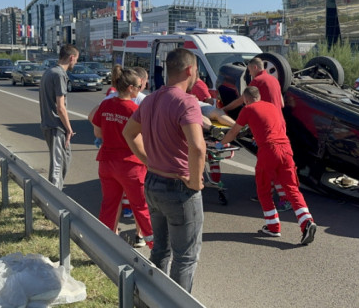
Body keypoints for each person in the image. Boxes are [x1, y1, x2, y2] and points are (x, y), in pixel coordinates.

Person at [123, 48, 206, 292]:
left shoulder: (149, 99)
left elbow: (129, 133)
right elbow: (198, 148)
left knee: (160, 250)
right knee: (186, 258)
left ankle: (153, 298)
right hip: (178, 188)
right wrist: (195, 181)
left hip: (153, 183)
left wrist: (148, 160)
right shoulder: (187, 101)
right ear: (190, 70)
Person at [220, 86, 317, 245]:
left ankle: (273, 226)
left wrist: (220, 144)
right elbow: (277, 127)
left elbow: (233, 132)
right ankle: (306, 221)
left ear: (246, 99)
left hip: (269, 151)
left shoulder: (248, 109)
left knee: (264, 190)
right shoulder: (272, 107)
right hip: (286, 149)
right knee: (292, 188)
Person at [92, 66, 153, 249]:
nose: (140, 89)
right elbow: (141, 139)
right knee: (140, 207)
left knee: (109, 205)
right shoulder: (134, 109)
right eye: (139, 86)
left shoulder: (105, 104)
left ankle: (103, 246)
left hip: (107, 162)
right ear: (130, 88)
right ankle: (153, 245)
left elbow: (98, 132)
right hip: (130, 165)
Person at [222, 57, 290, 210]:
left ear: (254, 67)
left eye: (249, 70)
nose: (248, 73)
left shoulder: (257, 81)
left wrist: (224, 109)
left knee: (272, 166)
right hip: (279, 125)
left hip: (268, 129)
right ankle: (265, 194)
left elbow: (242, 100)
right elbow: (282, 104)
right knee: (270, 166)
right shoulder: (274, 80)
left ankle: (284, 200)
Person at [39, 45, 79, 190]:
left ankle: (55, 195)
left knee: (64, 160)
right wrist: (69, 129)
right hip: (56, 126)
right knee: (58, 164)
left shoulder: (49, 71)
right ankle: (53, 202)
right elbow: (60, 107)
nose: (75, 63)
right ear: (71, 57)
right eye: (76, 60)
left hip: (49, 124)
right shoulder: (59, 74)